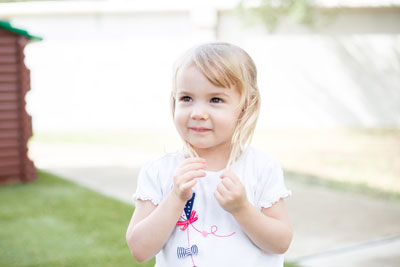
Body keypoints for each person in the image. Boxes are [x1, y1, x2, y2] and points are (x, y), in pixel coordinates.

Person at [126, 42, 293, 267]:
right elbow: (139, 249)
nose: (198, 113)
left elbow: (280, 242)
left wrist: (242, 208)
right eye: (186, 98)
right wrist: (176, 197)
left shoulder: (261, 168)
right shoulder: (160, 171)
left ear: (245, 107)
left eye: (216, 100)